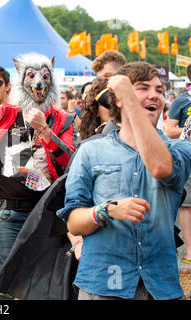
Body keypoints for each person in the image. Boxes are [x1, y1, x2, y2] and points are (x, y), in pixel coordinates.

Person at [57, 61, 191, 300]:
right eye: (142, 88)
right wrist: (106, 211)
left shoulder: (179, 148)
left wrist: (130, 100)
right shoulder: (90, 152)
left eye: (159, 90)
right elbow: (74, 223)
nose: (154, 95)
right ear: (118, 99)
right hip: (104, 283)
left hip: (160, 286)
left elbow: (160, 167)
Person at [0, 52, 75, 269]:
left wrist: (45, 131)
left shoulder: (64, 119)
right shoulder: (3, 113)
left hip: (47, 212)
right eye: (31, 75)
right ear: (21, 79)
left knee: (41, 279)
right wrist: (4, 149)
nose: (39, 82)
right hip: (8, 212)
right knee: (8, 278)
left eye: (45, 77)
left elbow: (70, 161)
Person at [164, 64, 191, 265]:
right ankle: (190, 251)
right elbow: (169, 130)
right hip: (188, 158)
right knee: (187, 204)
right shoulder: (182, 101)